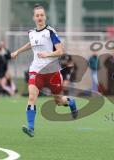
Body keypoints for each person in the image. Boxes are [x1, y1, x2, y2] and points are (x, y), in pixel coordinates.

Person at [11, 4, 78, 137]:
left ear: (45, 17)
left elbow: (60, 51)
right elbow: (31, 43)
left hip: (52, 72)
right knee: (31, 97)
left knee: (58, 101)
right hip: (36, 71)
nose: (40, 17)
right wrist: (18, 51)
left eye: (42, 15)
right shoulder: (31, 32)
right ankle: (31, 128)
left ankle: (71, 102)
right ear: (34, 18)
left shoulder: (50, 32)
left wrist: (47, 54)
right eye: (37, 15)